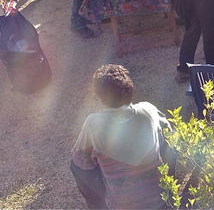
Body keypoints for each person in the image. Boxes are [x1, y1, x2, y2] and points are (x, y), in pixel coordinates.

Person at [71, 64, 172, 210]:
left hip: (121, 205)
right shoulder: (149, 110)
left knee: (78, 165)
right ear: (130, 89)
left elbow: (80, 162)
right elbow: (170, 136)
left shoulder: (93, 123)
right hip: (159, 201)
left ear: (99, 98)